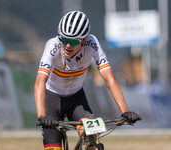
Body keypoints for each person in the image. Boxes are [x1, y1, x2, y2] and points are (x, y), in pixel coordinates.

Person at [34, 11, 140, 150]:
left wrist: (125, 111)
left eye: (73, 41)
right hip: (52, 100)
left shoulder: (92, 44)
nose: (67, 45)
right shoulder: (53, 46)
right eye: (64, 39)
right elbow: (40, 81)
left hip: (76, 100)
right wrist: (42, 116)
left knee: (91, 139)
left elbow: (110, 79)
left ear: (84, 39)